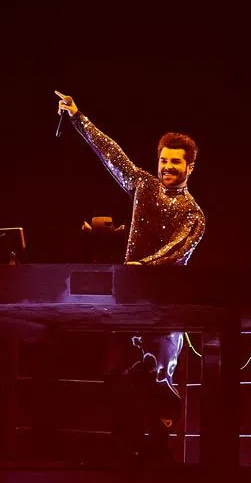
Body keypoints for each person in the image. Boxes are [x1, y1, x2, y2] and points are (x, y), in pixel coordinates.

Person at [55, 91, 205, 462]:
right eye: (163, 160)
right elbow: (113, 156)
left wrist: (138, 270)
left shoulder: (194, 215)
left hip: (164, 314)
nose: (167, 167)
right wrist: (78, 117)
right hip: (128, 308)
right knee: (118, 380)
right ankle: (125, 453)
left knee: (159, 385)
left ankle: (160, 456)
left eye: (175, 162)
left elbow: (172, 255)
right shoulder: (144, 187)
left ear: (190, 168)